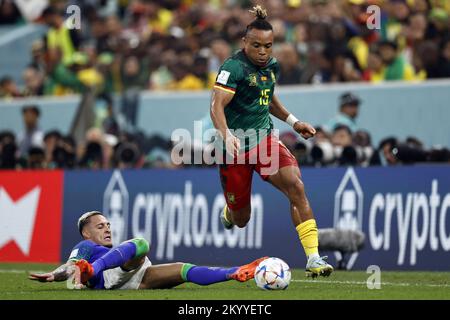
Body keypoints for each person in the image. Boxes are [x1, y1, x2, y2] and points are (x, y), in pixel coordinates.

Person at [209, 5, 333, 278]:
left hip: (264, 140)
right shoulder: (233, 68)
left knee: (296, 187)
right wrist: (227, 135)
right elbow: (216, 105)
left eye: (268, 46)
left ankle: (313, 258)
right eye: (256, 46)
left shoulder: (272, 66)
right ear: (245, 43)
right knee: (242, 220)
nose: (263, 52)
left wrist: (293, 122)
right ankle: (231, 211)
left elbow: (267, 100)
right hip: (235, 148)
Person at [29, 211, 266, 289]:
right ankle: (94, 269)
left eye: (108, 225)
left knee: (184, 270)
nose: (107, 229)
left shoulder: (112, 251)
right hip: (111, 274)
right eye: (100, 226)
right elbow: (70, 267)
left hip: (136, 277)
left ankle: (236, 272)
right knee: (141, 243)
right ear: (86, 233)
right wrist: (54, 275)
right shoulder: (85, 246)